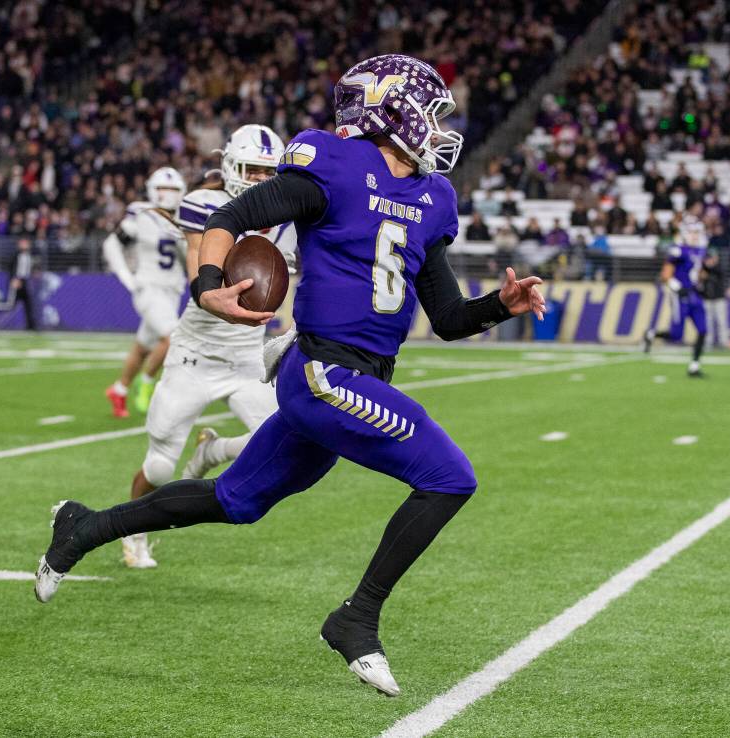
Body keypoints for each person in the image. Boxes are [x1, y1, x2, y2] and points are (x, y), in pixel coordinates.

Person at [34, 55, 545, 697]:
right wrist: (210, 285)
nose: (440, 128)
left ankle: (84, 526)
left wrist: (502, 304)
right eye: (431, 111)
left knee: (235, 501)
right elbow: (230, 218)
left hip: (357, 380)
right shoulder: (332, 163)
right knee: (449, 477)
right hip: (324, 372)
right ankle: (356, 619)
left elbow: (445, 317)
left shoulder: (434, 197)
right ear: (391, 109)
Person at [119, 125, 297, 569]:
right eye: (251, 170)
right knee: (160, 467)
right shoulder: (204, 204)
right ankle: (134, 531)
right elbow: (199, 268)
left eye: (266, 171)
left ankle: (212, 452)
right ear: (231, 167)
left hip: (246, 358)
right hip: (194, 355)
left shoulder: (291, 219)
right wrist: (208, 290)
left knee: (286, 438)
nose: (258, 179)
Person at [102, 167, 187, 417]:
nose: (168, 194)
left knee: (143, 347)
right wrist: (128, 278)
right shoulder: (141, 213)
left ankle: (119, 389)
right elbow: (111, 244)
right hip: (149, 288)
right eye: (163, 188)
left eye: (173, 189)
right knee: (172, 337)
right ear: (152, 189)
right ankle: (147, 381)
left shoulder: (185, 216)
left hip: (171, 291)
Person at [643, 217, 708, 376]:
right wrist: (677, 287)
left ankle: (694, 365)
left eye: (697, 232)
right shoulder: (678, 250)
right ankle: (651, 334)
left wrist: (703, 281)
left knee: (703, 329)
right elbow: (665, 275)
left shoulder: (700, 250)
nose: (695, 235)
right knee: (676, 335)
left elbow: (697, 272)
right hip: (680, 296)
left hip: (694, 294)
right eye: (692, 232)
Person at [8, 237, 37, 330]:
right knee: (11, 304)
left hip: (27, 281)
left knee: (29, 305)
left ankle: (31, 326)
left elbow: (34, 268)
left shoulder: (32, 254)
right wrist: (13, 279)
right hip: (17, 280)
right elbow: (10, 268)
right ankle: (4, 324)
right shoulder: (15, 255)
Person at [700, 251, 727, 348]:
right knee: (707, 322)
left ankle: (724, 342)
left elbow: (718, 275)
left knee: (721, 321)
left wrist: (708, 271)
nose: (709, 261)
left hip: (719, 298)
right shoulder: (703, 268)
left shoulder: (719, 268)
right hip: (707, 298)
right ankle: (708, 341)